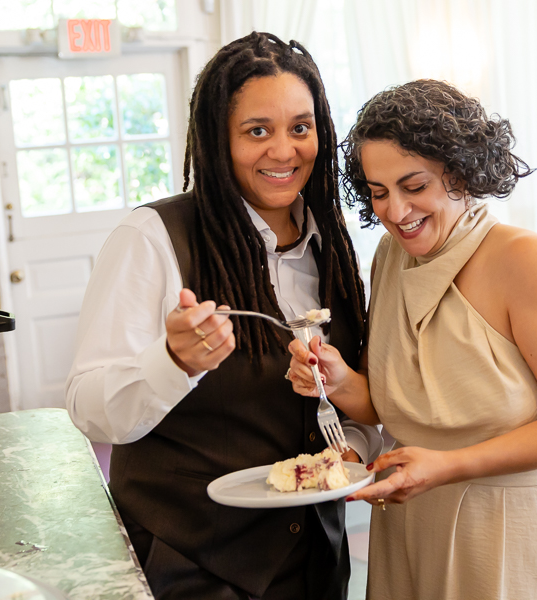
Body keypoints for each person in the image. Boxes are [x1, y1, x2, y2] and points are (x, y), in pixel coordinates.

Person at [66, 32, 383, 600]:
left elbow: (358, 396)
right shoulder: (152, 238)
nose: (284, 151)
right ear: (218, 138)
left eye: (300, 128)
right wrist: (173, 363)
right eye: (257, 130)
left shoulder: (332, 247)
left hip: (315, 561)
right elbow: (90, 410)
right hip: (188, 565)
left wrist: (354, 449)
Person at [287, 80, 537, 599]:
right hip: (408, 525)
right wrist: (340, 379)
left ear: (461, 172)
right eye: (378, 191)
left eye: (414, 186)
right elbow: (393, 405)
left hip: (504, 529)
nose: (395, 211)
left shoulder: (525, 260)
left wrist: (448, 466)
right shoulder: (390, 258)